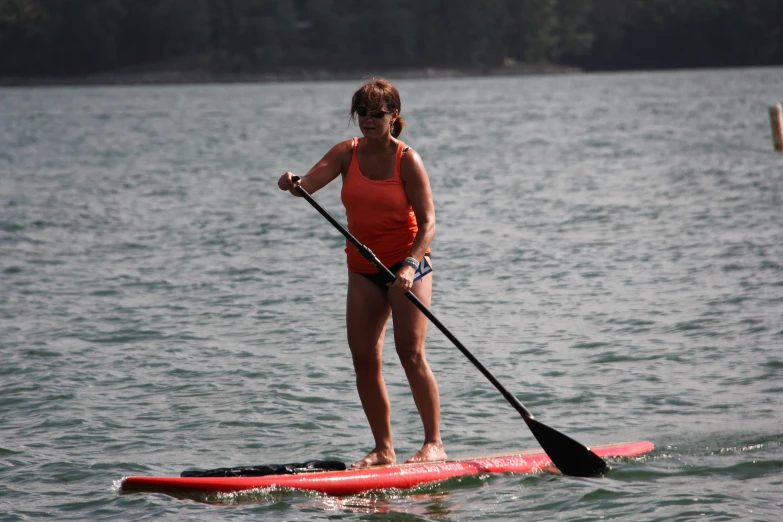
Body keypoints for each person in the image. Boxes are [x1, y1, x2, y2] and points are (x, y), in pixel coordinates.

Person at [277, 78, 447, 468]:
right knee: (364, 359)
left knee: (410, 353)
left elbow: (429, 225)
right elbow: (308, 185)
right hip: (362, 267)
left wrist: (408, 266)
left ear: (394, 116)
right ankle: (384, 449)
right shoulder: (345, 154)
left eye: (377, 113)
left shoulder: (407, 160)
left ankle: (434, 443)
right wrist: (292, 183)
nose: (368, 120)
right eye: (362, 113)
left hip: (409, 266)